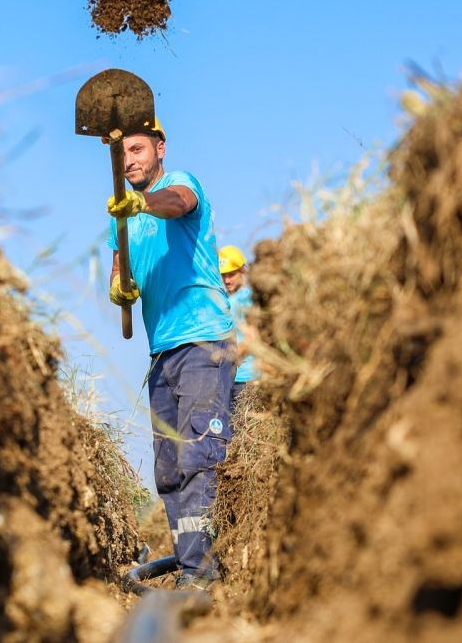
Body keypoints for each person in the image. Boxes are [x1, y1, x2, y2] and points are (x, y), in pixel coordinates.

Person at [105, 120, 235, 589]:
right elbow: (118, 270)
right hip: (161, 352)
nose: (129, 161)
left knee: (199, 455)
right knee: (168, 468)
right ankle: (191, 565)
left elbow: (179, 201)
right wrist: (119, 288)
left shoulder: (179, 184)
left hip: (204, 340)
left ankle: (202, 573)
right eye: (122, 154)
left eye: (137, 149)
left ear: (160, 149)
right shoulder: (120, 218)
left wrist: (143, 202)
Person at [218, 245, 258, 410]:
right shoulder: (223, 300)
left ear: (243, 271)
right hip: (230, 379)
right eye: (223, 275)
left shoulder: (249, 297)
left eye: (231, 274)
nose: (227, 280)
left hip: (251, 376)